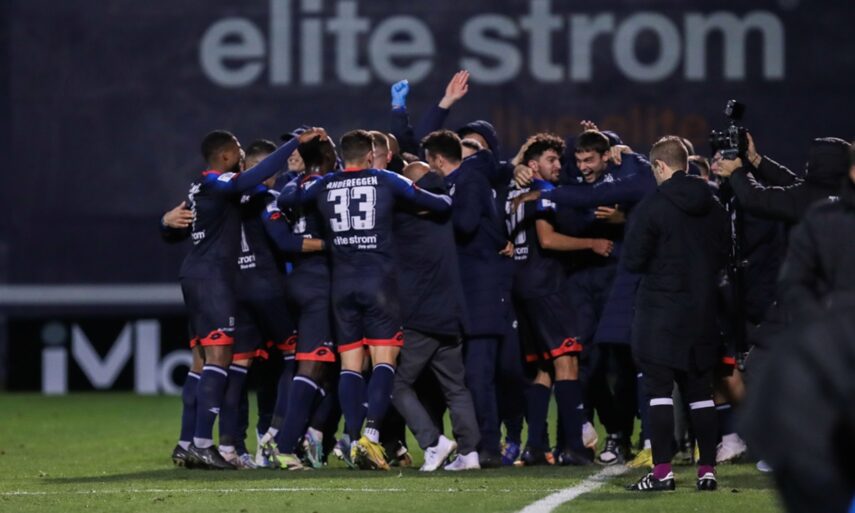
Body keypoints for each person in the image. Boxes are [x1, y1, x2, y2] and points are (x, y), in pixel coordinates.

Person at [278, 129, 452, 470]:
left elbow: (287, 199)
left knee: (350, 365)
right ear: (371, 156)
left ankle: (354, 439)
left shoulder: (325, 184)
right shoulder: (386, 179)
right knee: (384, 360)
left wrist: (299, 179)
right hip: (379, 284)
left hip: (341, 286)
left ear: (343, 157)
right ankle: (370, 437)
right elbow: (441, 204)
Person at [178, 128, 316, 469]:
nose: (240, 154)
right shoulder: (234, 187)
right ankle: (263, 437)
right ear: (226, 157)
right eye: (237, 149)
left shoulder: (201, 187)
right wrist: (294, 145)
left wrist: (165, 221)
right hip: (224, 282)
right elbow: (282, 238)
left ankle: (215, 445)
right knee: (282, 357)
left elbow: (176, 222)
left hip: (215, 281)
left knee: (224, 363)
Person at [622, 136, 730, 492]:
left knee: (658, 390)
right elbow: (726, 253)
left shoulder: (653, 205)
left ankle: (662, 472)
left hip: (660, 311)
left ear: (660, 166)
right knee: (700, 391)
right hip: (703, 309)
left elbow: (633, 260)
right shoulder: (713, 204)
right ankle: (707, 471)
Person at [506, 133, 613, 467]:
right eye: (551, 160)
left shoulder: (513, 193)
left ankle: (535, 446)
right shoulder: (544, 192)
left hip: (522, 284)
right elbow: (548, 240)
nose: (558, 166)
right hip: (547, 285)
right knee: (567, 362)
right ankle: (574, 448)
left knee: (544, 368)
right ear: (533, 164)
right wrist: (592, 243)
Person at [421, 129, 510, 467]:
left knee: (478, 375)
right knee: (462, 377)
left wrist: (435, 210)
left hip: (481, 293)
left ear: (437, 160)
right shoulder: (458, 182)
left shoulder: (470, 180)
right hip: (464, 294)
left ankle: (488, 446)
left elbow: (467, 223)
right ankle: (471, 447)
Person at [391, 161, 481, 472]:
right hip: (451, 316)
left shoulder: (402, 220)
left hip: (420, 319)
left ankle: (433, 442)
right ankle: (469, 454)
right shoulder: (445, 214)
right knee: (456, 388)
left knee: (394, 384)